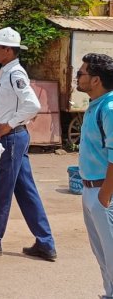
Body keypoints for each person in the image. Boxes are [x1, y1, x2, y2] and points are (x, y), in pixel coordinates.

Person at [0, 27, 57, 261]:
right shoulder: (7, 73)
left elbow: (32, 106)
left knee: (1, 190)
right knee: (26, 191)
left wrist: (8, 125)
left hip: (12, 137)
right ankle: (45, 242)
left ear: (9, 50)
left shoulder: (15, 74)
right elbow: (4, 102)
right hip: (13, 137)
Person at [75, 52, 113, 297]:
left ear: (96, 79)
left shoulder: (109, 108)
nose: (77, 78)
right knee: (102, 255)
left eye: (81, 74)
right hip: (91, 190)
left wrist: (104, 196)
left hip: (103, 193)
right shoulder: (95, 105)